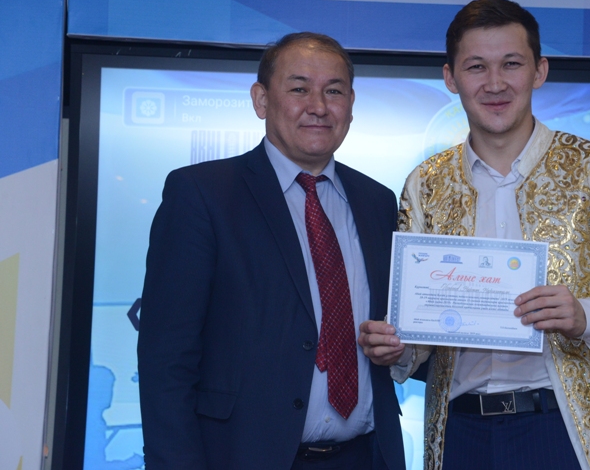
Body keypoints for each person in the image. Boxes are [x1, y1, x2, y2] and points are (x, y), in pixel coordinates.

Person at [359, 0, 590, 470]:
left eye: (511, 64)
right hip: (459, 433)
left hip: (568, 431)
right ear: (451, 78)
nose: (495, 83)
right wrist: (397, 348)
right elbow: (418, 323)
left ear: (539, 71)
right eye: (476, 66)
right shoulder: (427, 183)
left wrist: (587, 314)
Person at [138, 32, 405, 470]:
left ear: (351, 104)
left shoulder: (377, 201)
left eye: (334, 91)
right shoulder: (202, 194)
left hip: (366, 455)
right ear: (261, 100)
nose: (318, 106)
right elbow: (166, 358)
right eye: (299, 89)